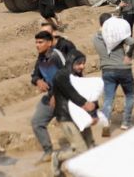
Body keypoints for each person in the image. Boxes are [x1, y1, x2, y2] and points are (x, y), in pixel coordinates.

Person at [50, 50, 97, 176]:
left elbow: (89, 94)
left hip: (80, 117)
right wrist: (85, 104)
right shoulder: (61, 76)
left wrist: (94, 114)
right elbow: (71, 93)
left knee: (91, 146)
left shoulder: (78, 76)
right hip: (66, 117)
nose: (82, 66)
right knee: (81, 150)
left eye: (83, 63)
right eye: (79, 63)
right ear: (71, 63)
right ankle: (58, 157)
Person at [94, 13, 134, 135]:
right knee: (129, 95)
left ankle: (106, 122)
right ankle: (126, 123)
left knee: (108, 98)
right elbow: (132, 41)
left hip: (106, 70)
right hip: (123, 69)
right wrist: (128, 55)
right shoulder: (118, 36)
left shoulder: (95, 38)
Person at [30, 31, 66, 163]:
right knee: (37, 122)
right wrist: (38, 81)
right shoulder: (40, 58)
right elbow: (34, 76)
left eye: (40, 42)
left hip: (65, 96)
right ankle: (48, 151)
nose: (37, 45)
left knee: (71, 124)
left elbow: (67, 77)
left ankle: (85, 148)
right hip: (50, 97)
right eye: (36, 42)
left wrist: (57, 95)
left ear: (49, 43)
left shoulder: (57, 56)